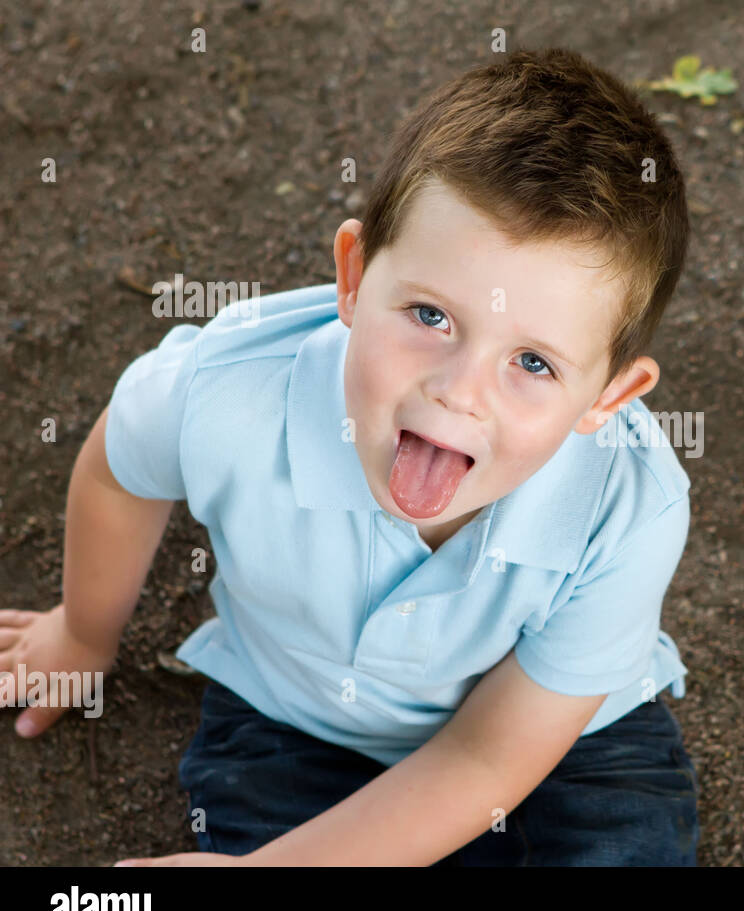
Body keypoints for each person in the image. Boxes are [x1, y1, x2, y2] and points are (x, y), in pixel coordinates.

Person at [3, 47, 699, 866]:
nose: (459, 393)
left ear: (610, 396)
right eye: (432, 316)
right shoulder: (229, 391)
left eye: (534, 363)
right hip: (295, 716)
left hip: (562, 743)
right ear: (355, 275)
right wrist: (84, 635)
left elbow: (489, 759)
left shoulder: (630, 507)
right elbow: (122, 468)